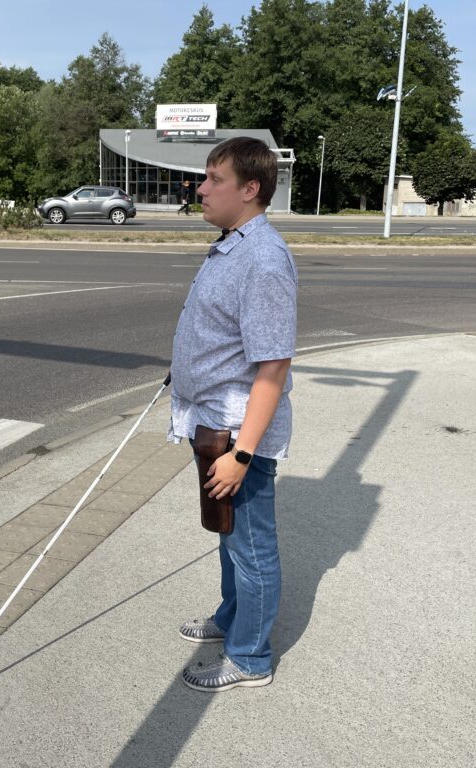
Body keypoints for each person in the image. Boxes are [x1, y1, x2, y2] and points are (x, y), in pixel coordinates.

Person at [168, 137, 297, 692]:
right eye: (204, 177)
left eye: (214, 179)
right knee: (228, 534)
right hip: (212, 422)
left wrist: (243, 454)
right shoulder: (233, 244)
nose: (201, 188)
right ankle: (229, 620)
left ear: (250, 189)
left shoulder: (264, 261)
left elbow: (272, 369)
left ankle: (250, 658)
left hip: (238, 433)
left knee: (251, 545)